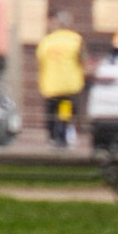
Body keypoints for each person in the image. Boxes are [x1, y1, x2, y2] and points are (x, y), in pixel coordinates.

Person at [37, 17, 87, 151]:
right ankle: (62, 136)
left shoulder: (47, 41)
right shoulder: (76, 39)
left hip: (51, 85)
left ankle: (52, 137)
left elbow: (40, 59)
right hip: (69, 86)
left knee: (51, 112)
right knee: (64, 112)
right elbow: (82, 59)